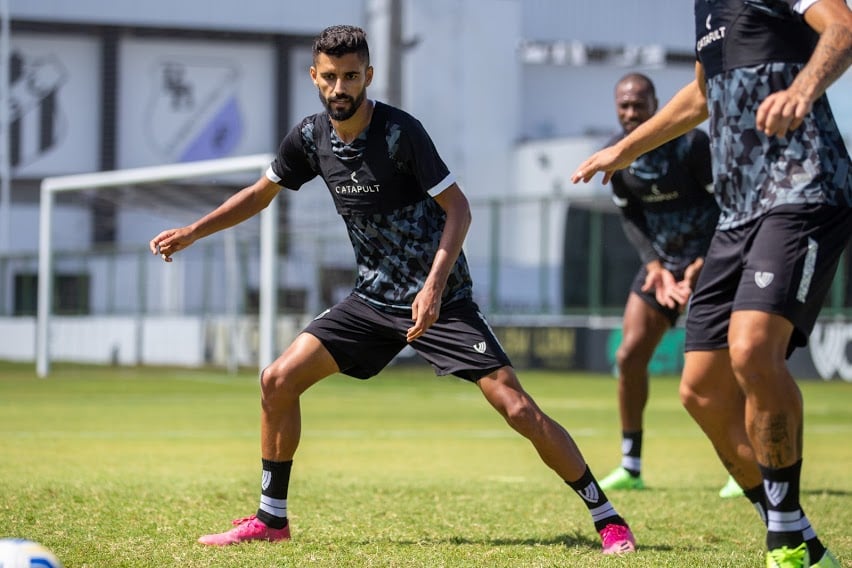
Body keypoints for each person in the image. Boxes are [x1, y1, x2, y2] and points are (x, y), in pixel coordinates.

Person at [150, 25, 637, 555]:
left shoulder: (401, 132)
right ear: (315, 77)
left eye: (351, 76)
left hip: (440, 300)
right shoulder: (311, 138)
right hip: (371, 300)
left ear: (368, 77)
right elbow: (260, 195)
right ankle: (272, 518)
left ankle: (606, 515)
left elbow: (460, 209)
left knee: (518, 410)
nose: (341, 87)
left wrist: (432, 287)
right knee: (277, 379)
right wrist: (195, 231)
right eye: (331, 77)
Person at [572, 1, 851, 566]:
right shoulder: (706, 11)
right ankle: (796, 534)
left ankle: (784, 546)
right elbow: (700, 97)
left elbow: (843, 26)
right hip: (739, 212)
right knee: (699, 389)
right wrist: (624, 149)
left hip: (801, 192)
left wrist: (801, 89)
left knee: (751, 349)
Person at [592, 73, 723, 494]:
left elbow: (728, 203)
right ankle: (631, 465)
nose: (631, 113)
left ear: (656, 103)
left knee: (733, 363)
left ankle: (745, 465)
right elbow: (630, 217)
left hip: (717, 258)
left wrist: (706, 261)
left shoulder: (692, 144)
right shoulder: (619, 154)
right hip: (662, 267)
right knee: (629, 355)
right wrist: (655, 267)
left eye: (639, 104)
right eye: (624, 105)